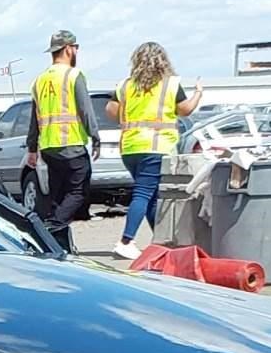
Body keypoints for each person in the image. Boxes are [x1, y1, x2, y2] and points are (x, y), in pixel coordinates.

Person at [109, 41, 202, 258]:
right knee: (143, 193)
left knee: (151, 196)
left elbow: (111, 111)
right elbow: (185, 110)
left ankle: (159, 244)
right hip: (156, 147)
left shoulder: (126, 85)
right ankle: (126, 241)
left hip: (130, 148)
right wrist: (198, 93)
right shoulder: (169, 84)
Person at [25, 29, 101, 251]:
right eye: (76, 48)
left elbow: (34, 118)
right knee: (78, 192)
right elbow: (86, 110)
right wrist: (95, 136)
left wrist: (32, 148)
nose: (77, 51)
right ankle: (50, 229)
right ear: (68, 49)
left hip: (49, 148)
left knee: (58, 197)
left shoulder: (39, 80)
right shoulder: (73, 75)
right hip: (72, 145)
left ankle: (60, 246)